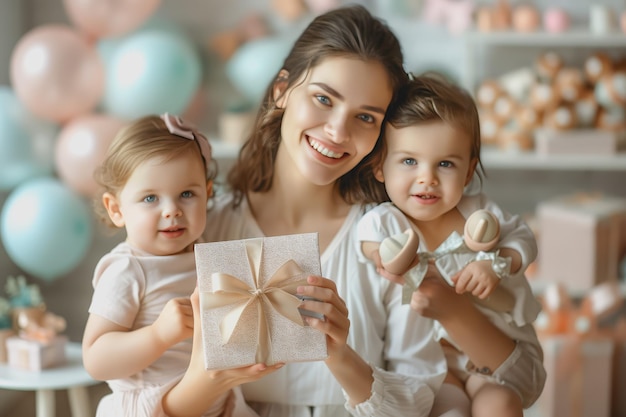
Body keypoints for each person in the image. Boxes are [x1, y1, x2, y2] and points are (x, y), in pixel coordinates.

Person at [161, 5, 447, 417]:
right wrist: (209, 378)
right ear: (282, 90)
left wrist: (339, 355)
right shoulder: (200, 229)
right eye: (323, 99)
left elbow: (421, 402)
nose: (338, 131)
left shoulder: (392, 244)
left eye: (365, 117)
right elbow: (140, 399)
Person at [356, 74, 546, 417]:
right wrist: (390, 258)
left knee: (501, 405)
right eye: (409, 161)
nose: (427, 177)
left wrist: (496, 263)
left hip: (486, 361)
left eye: (445, 164)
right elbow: (370, 245)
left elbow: (523, 237)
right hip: (430, 368)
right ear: (380, 165)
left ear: (469, 171)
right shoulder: (387, 220)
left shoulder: (479, 211)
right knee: (449, 411)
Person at [82, 113, 254, 417]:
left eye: (187, 194)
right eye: (150, 198)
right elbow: (96, 359)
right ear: (116, 209)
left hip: (218, 403)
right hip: (152, 407)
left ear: (208, 193)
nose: (172, 210)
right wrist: (158, 335)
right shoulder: (128, 270)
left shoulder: (209, 253)